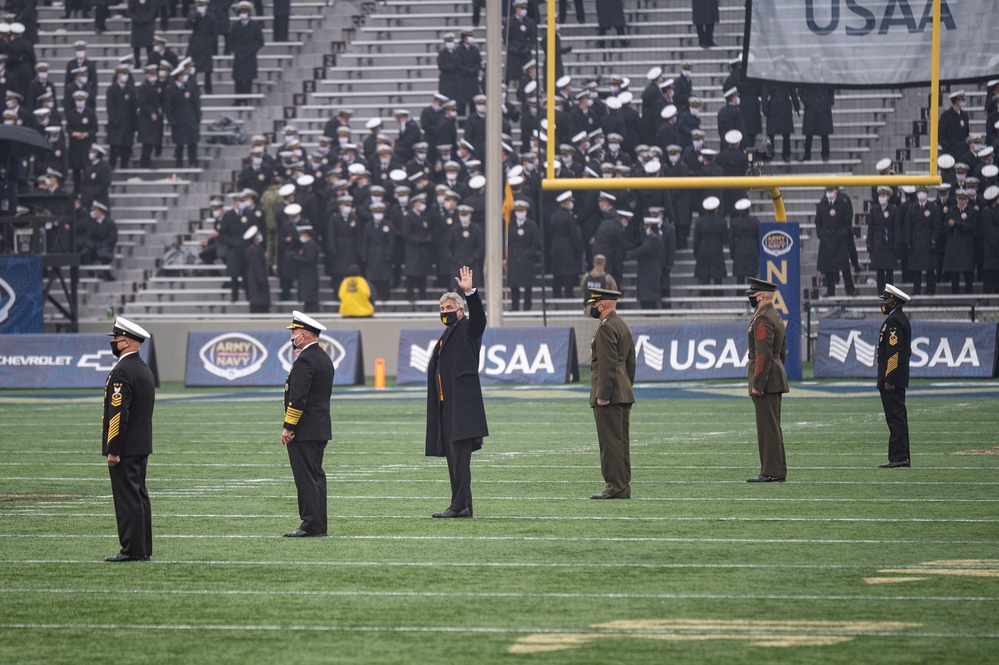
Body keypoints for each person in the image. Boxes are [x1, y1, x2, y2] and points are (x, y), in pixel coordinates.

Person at [425, 266, 488, 518]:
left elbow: (480, 320)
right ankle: (463, 505)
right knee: (454, 459)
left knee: (460, 459)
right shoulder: (448, 332)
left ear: (460, 311)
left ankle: (458, 505)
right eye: (442, 310)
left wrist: (470, 292)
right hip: (448, 406)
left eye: (449, 309)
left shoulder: (468, 328)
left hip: (463, 407)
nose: (445, 313)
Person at [102, 316, 155, 561]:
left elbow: (118, 413)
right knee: (139, 496)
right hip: (141, 443)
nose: (113, 342)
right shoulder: (143, 368)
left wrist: (113, 448)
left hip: (126, 446)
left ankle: (132, 549)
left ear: (126, 342)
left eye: (116, 338)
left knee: (128, 499)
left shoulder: (123, 370)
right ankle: (143, 548)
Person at [281, 311, 334, 537]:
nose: (292, 337)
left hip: (304, 430)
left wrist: (289, 427)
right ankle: (318, 524)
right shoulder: (323, 357)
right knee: (316, 478)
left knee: (306, 479)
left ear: (304, 334)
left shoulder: (305, 360)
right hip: (320, 427)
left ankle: (310, 525)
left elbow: (298, 398)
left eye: (294, 332)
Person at [587, 287, 635, 499]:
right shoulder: (622, 324)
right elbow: (630, 362)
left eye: (594, 305)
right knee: (620, 442)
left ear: (603, 305)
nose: (592, 308)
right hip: (622, 390)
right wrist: (626, 386)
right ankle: (622, 485)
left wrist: (603, 394)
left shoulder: (606, 328)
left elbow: (606, 365)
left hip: (610, 393)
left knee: (610, 443)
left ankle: (615, 487)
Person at [745, 277, 788, 483]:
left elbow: (763, 354)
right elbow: (782, 350)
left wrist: (758, 383)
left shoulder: (762, 318)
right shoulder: (775, 315)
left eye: (752, 295)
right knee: (773, 426)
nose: (751, 298)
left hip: (766, 379)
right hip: (775, 375)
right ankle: (776, 469)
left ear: (760, 295)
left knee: (767, 427)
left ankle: (771, 471)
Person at [876, 284, 912, 469]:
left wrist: (889, 378)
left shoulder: (894, 321)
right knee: (897, 417)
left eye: (886, 300)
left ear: (895, 302)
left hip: (892, 380)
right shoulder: (900, 318)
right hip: (897, 377)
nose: (884, 303)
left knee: (895, 418)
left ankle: (899, 458)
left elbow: (895, 353)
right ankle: (901, 456)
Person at [814, 186, 858, 296]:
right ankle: (830, 290)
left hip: (839, 240)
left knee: (844, 266)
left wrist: (841, 234)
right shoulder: (822, 203)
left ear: (836, 190)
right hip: (826, 240)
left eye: (831, 190)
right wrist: (821, 234)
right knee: (828, 267)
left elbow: (847, 222)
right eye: (827, 190)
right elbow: (818, 222)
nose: (829, 192)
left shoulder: (843, 203)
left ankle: (850, 289)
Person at [230, 1, 264, 105]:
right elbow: (231, 41)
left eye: (245, 11)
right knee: (238, 79)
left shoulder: (255, 26)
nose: (243, 13)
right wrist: (236, 49)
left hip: (250, 56)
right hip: (239, 55)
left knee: (248, 79)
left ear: (249, 12)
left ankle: (247, 99)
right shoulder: (235, 26)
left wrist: (252, 49)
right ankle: (238, 100)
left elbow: (261, 41)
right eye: (241, 11)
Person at [244, 225, 270, 313]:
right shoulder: (253, 250)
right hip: (257, 281)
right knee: (258, 304)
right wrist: (262, 281)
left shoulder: (257, 248)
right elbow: (257, 267)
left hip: (257, 280)